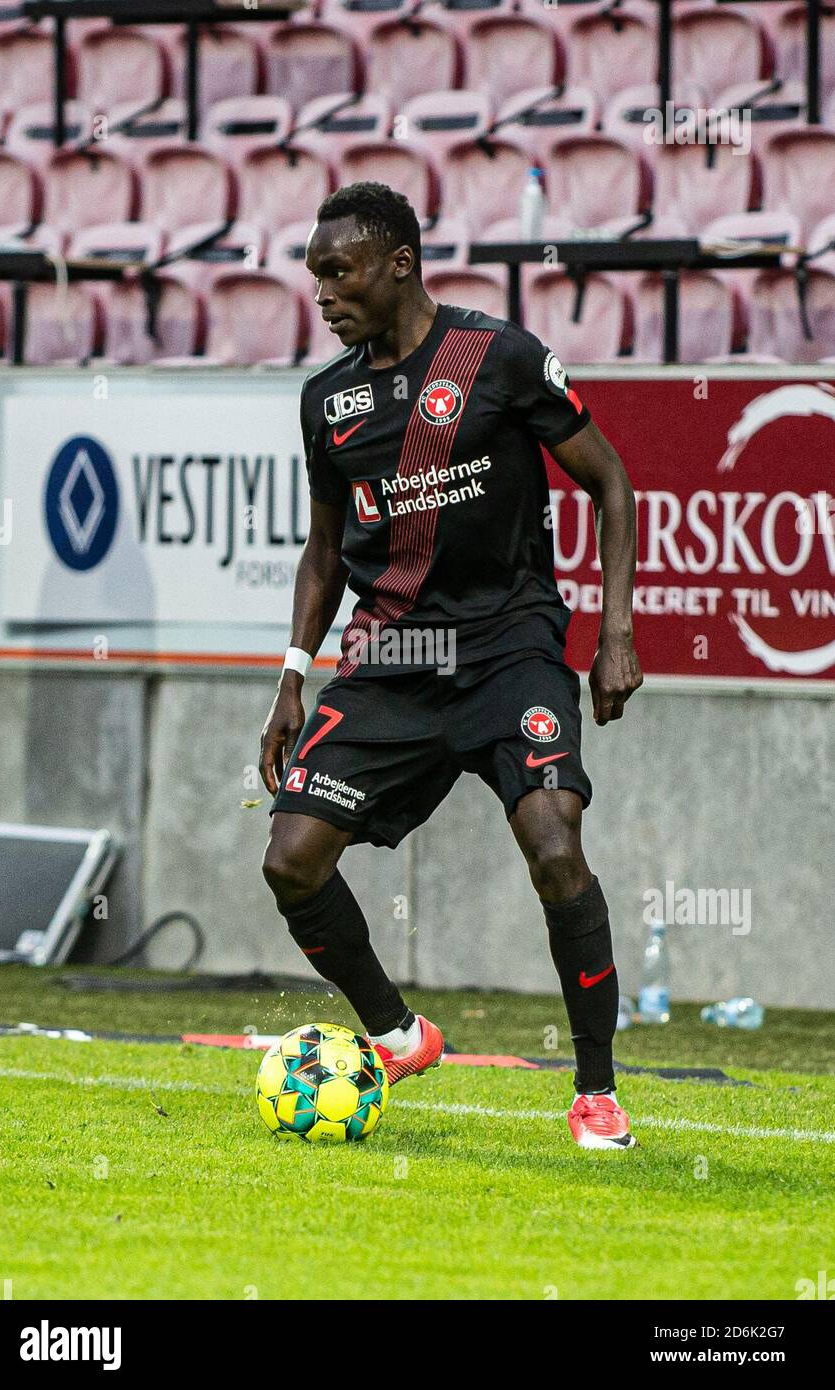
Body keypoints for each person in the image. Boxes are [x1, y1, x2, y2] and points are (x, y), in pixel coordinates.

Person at [260, 183, 643, 1150]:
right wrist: (292, 674)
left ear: (398, 263)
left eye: (337, 271)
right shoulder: (327, 400)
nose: (323, 292)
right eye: (314, 275)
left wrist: (615, 634)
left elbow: (610, 481)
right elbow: (321, 551)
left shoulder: (498, 357)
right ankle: (396, 1031)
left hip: (510, 649)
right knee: (290, 862)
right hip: (391, 659)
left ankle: (594, 1092)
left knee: (556, 849)